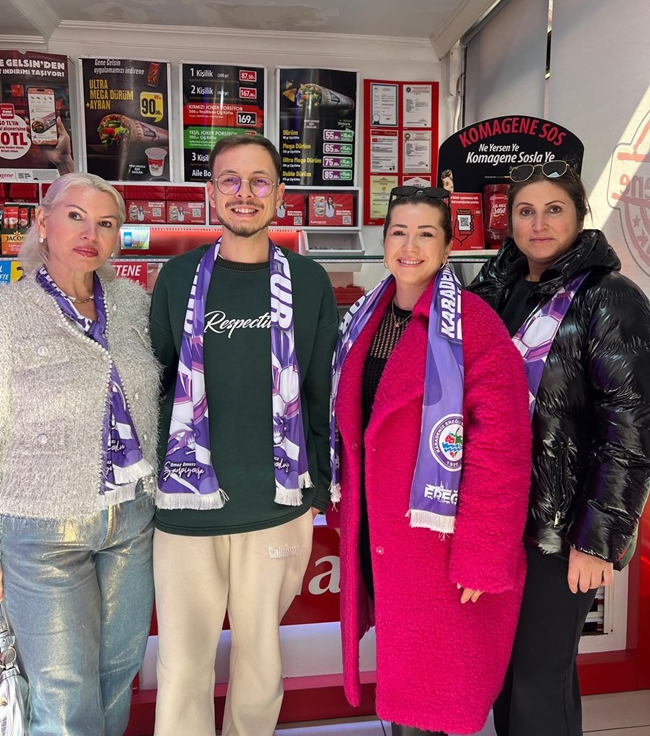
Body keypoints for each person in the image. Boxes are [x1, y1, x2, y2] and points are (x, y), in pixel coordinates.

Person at [150, 133, 338, 736]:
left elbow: (321, 391)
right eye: (230, 180)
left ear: (279, 194)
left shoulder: (308, 281)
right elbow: (156, 384)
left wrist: (318, 488)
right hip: (185, 507)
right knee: (183, 668)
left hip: (276, 504)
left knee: (261, 664)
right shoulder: (177, 277)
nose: (244, 193)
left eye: (259, 181)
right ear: (211, 193)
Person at [329, 185, 532, 736]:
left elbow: (503, 450)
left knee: (435, 692)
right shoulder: (364, 318)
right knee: (404, 680)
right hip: (382, 534)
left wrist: (484, 556)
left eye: (425, 234)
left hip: (439, 542)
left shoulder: (475, 326)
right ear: (383, 241)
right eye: (399, 232)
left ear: (447, 247)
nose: (410, 246)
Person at [469, 160, 650, 736]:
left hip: (560, 529)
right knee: (503, 672)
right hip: (494, 518)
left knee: (538, 680)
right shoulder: (493, 291)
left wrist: (597, 542)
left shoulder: (610, 298)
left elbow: (632, 427)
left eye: (554, 210)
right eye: (526, 211)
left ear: (579, 215)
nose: (539, 224)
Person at [0, 172, 159, 736]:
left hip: (132, 518)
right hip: (42, 528)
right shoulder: (8, 313)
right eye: (76, 217)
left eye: (106, 223)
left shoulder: (134, 305)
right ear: (42, 223)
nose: (91, 234)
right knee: (65, 696)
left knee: (118, 673)